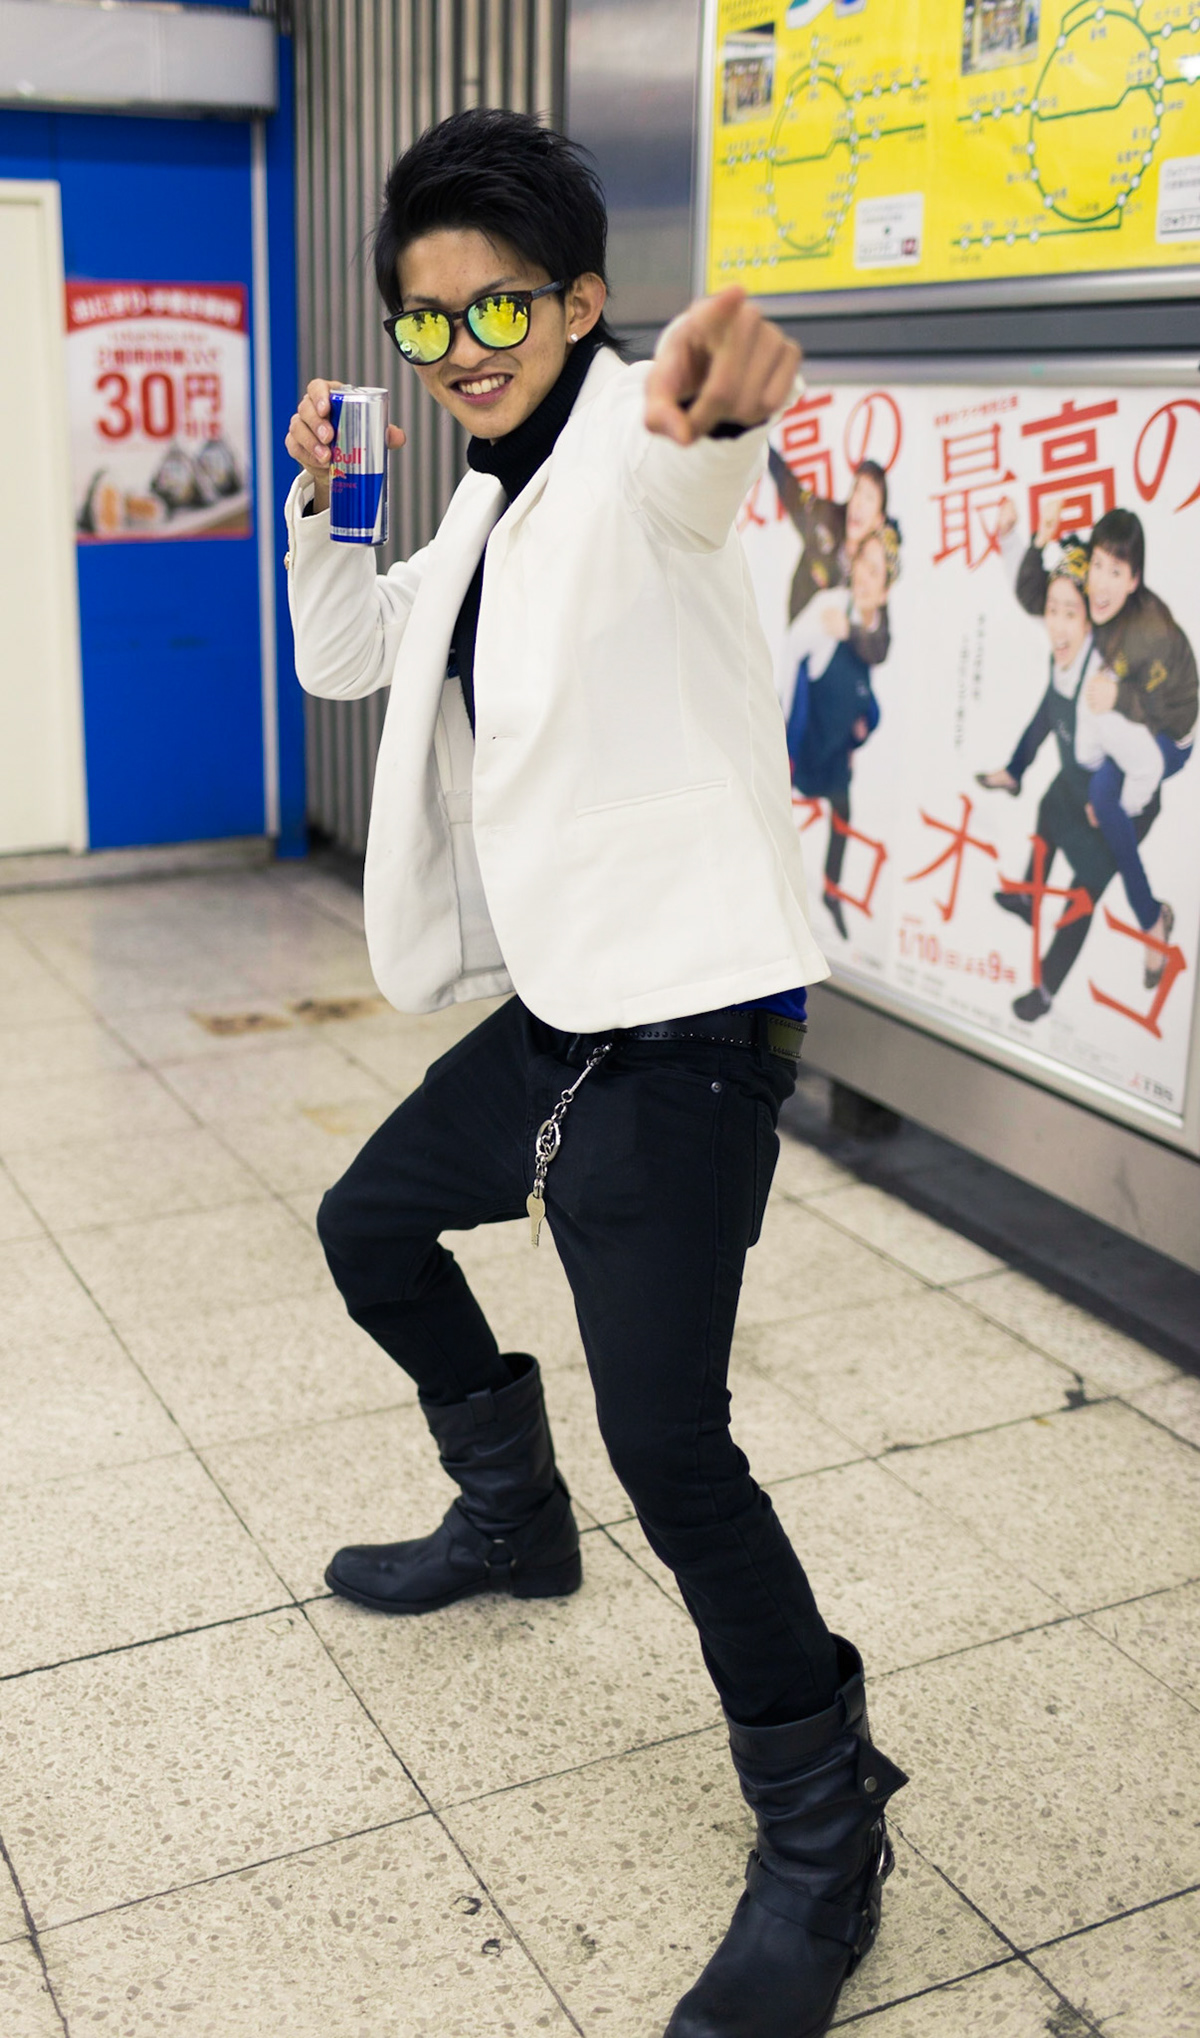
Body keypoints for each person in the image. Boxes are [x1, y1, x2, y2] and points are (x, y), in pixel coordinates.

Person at [283, 108, 905, 2038]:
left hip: (695, 1024)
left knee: (675, 1444)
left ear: (581, 303)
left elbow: (697, 469)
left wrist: (719, 408)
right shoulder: (485, 499)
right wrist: (329, 507)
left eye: (500, 309)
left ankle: (824, 1831)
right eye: (426, 321)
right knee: (369, 1226)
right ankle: (510, 1513)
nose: (462, 349)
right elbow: (348, 660)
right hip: (566, 1008)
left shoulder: (634, 447)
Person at [982, 501, 1196, 998]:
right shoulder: (1095, 609)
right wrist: (1025, 540)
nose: (1099, 582)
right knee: (1059, 798)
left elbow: (1155, 725)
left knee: (1101, 798)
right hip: (1120, 724)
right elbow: (1040, 597)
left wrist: (1123, 804)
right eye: (1096, 565)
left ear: (1134, 579)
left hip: (1168, 734)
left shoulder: (1143, 638)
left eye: (1115, 571)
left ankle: (1151, 919)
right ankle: (1032, 898)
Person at [778, 527, 898, 939]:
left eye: (876, 572)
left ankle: (831, 891)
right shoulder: (829, 606)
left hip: (837, 752)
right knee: (780, 816)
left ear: (885, 591)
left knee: (843, 813)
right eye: (863, 563)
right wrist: (781, 729)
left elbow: (868, 679)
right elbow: (791, 654)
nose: (865, 576)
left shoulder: (874, 628)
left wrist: (864, 727)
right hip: (807, 744)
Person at [768, 442, 895, 668]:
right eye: (857, 490)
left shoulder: (874, 563)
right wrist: (758, 440)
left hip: (835, 661)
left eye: (869, 497)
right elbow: (789, 487)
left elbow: (881, 645)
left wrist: (849, 630)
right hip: (798, 643)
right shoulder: (825, 519)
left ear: (879, 520)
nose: (859, 503)